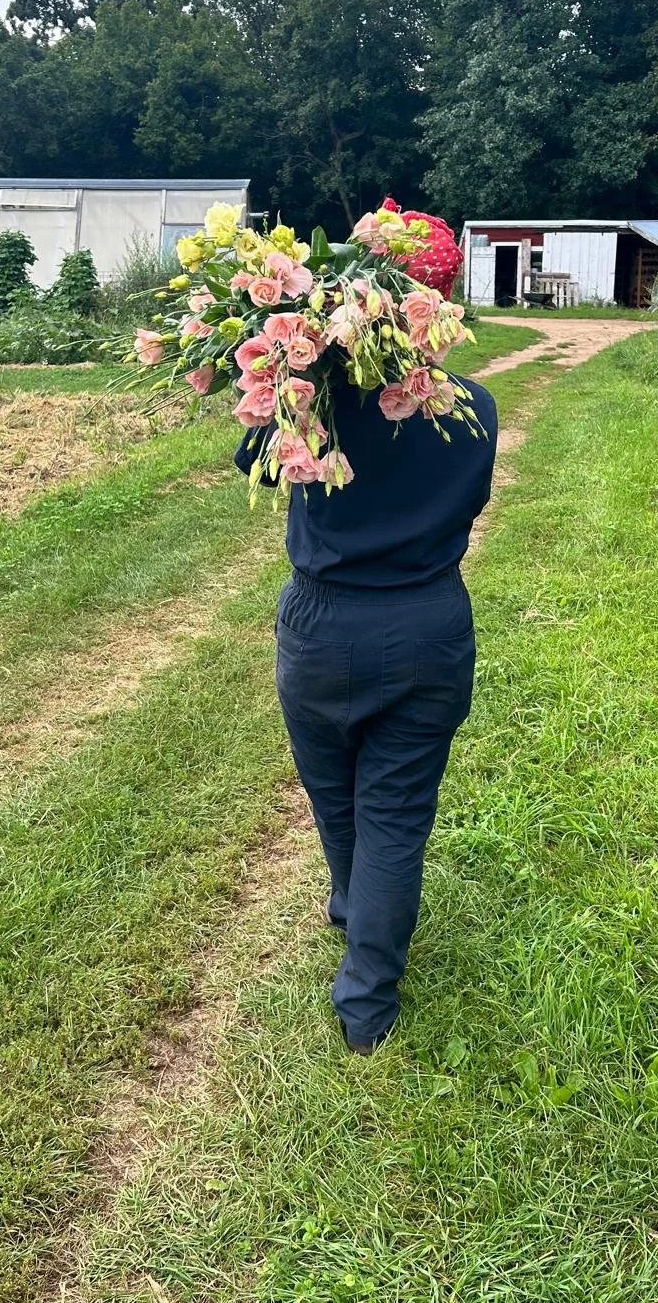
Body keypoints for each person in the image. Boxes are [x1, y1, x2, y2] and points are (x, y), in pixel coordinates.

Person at [235, 349, 497, 1056]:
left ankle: (357, 915)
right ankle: (366, 995)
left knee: (336, 797)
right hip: (426, 625)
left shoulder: (309, 405)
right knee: (395, 814)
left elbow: (251, 461)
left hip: (324, 628)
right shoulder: (474, 406)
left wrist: (300, 371)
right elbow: (468, 499)